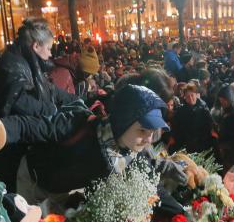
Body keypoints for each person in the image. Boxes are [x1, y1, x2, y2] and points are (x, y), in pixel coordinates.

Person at [20, 85, 187, 211]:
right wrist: (1, 131)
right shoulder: (81, 126)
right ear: (123, 123)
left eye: (152, 132)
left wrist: (182, 213)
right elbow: (32, 126)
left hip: (62, 188)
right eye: (143, 130)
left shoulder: (131, 151)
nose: (148, 139)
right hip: (34, 179)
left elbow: (150, 182)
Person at [0, 18, 84, 191]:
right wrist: (53, 110)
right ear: (36, 46)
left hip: (15, 143)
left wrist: (79, 100)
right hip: (6, 147)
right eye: (48, 48)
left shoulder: (26, 62)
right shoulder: (12, 65)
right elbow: (20, 101)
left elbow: (50, 90)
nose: (50, 54)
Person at [169, 82, 214, 153]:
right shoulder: (181, 110)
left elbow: (209, 125)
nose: (190, 98)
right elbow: (176, 126)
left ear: (196, 95)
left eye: (192, 95)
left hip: (201, 144)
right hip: (185, 143)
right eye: (188, 96)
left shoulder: (203, 108)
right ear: (185, 98)